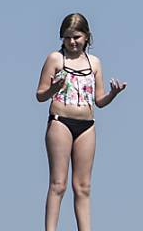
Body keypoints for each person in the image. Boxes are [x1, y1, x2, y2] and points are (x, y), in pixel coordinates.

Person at [36, 13, 126, 231]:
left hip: (87, 125)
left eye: (76, 37)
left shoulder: (94, 62)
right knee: (59, 184)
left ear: (86, 37)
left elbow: (99, 100)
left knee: (83, 186)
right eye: (67, 38)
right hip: (61, 122)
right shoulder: (56, 59)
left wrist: (113, 94)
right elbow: (40, 95)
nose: (72, 42)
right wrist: (53, 89)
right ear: (62, 38)